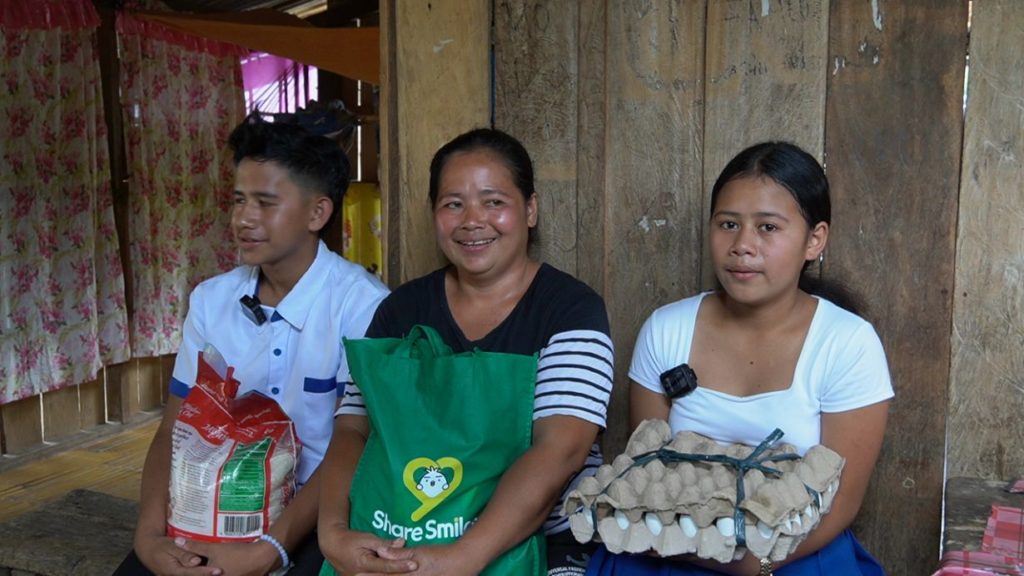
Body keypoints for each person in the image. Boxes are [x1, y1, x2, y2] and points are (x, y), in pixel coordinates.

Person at [586, 142, 893, 576]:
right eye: (728, 224)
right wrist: (680, 547)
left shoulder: (846, 344)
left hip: (793, 555)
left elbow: (841, 503)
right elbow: (648, 473)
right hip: (667, 549)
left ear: (815, 239)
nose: (743, 245)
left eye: (768, 227)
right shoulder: (667, 329)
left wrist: (755, 565)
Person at [317, 128, 615, 575]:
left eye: (494, 202)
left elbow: (560, 451)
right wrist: (334, 534)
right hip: (403, 531)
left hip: (545, 541)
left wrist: (462, 558)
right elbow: (353, 428)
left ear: (530, 209)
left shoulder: (569, 309)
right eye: (453, 204)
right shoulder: (401, 310)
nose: (472, 220)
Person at [115, 114, 389, 576]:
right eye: (239, 200)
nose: (243, 218)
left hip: (322, 512)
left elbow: (356, 442)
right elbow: (173, 429)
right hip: (213, 506)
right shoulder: (212, 301)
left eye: (265, 203)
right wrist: (148, 538)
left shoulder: (363, 306)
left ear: (317, 214)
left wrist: (269, 550)